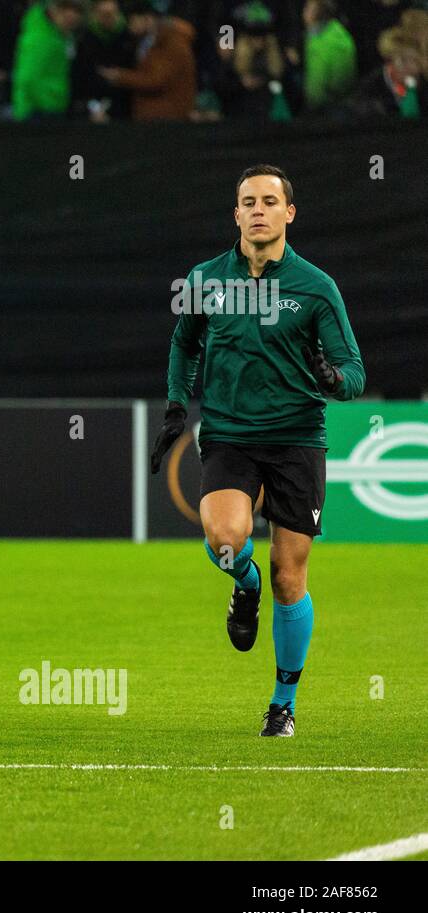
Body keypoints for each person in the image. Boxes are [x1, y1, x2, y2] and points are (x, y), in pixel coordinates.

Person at [151, 165, 365, 738]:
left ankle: (282, 703)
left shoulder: (316, 286)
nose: (259, 210)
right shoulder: (206, 279)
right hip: (229, 434)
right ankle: (244, 587)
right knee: (226, 541)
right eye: (249, 201)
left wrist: (333, 378)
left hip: (297, 438)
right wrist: (176, 406)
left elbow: (354, 371)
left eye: (271, 201)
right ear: (237, 214)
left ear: (289, 213)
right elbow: (183, 343)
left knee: (289, 576)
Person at [98, 0, 196, 120]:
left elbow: (156, 80)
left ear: (148, 19)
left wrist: (119, 76)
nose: (130, 26)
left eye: (133, 21)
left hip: (167, 117)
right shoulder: (147, 42)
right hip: (152, 115)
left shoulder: (172, 43)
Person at [11, 0, 84, 121]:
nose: (71, 17)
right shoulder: (40, 39)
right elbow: (28, 78)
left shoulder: (61, 36)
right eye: (65, 10)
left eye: (77, 11)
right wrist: (48, 101)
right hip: (38, 111)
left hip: (54, 106)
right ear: (53, 10)